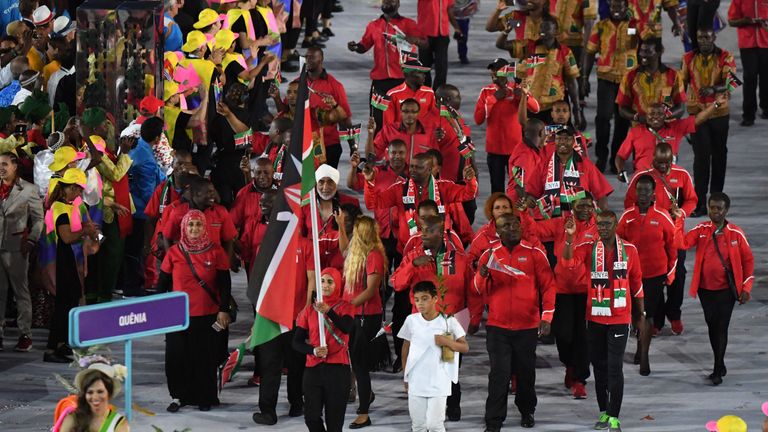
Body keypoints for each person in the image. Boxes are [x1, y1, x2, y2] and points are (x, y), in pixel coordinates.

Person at [560, 210, 645, 432]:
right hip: (595, 317)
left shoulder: (629, 250)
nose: (603, 227)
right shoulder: (589, 248)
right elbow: (568, 261)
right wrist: (570, 237)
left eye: (608, 224)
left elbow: (636, 284)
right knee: (599, 367)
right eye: (600, 224)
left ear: (616, 224)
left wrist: (641, 316)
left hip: (619, 317)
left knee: (615, 367)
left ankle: (615, 416)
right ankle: (604, 412)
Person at [391, 213, 481, 421]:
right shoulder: (413, 256)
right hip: (422, 325)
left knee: (449, 367)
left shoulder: (458, 258)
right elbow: (396, 284)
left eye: (430, 231)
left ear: (441, 233)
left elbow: (471, 290)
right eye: (422, 230)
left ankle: (452, 402)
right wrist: (412, 265)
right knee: (425, 367)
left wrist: (474, 317)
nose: (424, 234)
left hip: (450, 323)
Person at [475, 213, 556, 430]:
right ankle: (493, 421)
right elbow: (477, 290)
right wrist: (482, 275)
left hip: (527, 326)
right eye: (505, 226)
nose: (511, 228)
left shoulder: (535, 252)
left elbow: (548, 286)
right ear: (498, 231)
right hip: (497, 327)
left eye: (514, 224)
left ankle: (527, 410)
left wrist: (546, 316)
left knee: (525, 374)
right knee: (499, 375)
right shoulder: (490, 255)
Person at [671, 193, 754, 385]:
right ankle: (720, 361)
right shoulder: (701, 230)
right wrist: (679, 220)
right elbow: (680, 243)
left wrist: (746, 287)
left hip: (727, 290)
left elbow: (748, 261)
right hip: (705, 289)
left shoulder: (736, 233)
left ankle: (717, 368)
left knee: (721, 327)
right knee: (711, 325)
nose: (715, 211)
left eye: (719, 208)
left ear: (726, 211)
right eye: (712, 207)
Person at [522, 193, 598, 398]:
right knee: (563, 334)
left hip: (587, 291)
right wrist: (525, 212)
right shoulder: (560, 224)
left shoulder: (599, 227)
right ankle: (569, 365)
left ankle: (580, 379)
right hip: (562, 290)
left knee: (583, 336)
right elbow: (533, 230)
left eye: (589, 205)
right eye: (580, 205)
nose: (585, 209)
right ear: (572, 207)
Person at [159, 210, 233, 412]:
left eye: (198, 225)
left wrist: (223, 310)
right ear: (184, 227)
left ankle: (204, 397)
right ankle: (178, 396)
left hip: (207, 314)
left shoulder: (216, 252)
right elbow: (162, 285)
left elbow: (225, 284)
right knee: (176, 357)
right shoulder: (174, 252)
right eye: (190, 225)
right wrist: (161, 313)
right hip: (178, 316)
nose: (194, 229)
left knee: (204, 358)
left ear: (205, 227)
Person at [624, 143, 697, 335]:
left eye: (667, 162)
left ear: (672, 159)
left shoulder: (682, 175)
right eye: (659, 162)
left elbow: (692, 199)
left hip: (674, 232)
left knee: (677, 274)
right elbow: (629, 202)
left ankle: (674, 314)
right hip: (650, 233)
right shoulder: (641, 176)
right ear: (653, 158)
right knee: (652, 279)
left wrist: (681, 212)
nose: (663, 166)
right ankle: (655, 318)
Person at [616, 175, 676, 376]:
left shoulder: (663, 216)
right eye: (639, 190)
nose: (642, 194)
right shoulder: (626, 217)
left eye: (646, 191)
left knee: (647, 314)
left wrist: (670, 273)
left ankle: (644, 355)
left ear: (653, 193)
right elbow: (618, 245)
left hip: (654, 275)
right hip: (631, 276)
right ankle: (640, 343)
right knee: (635, 314)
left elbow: (672, 247)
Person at [363, 152, 477, 254]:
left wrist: (470, 180)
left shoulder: (444, 188)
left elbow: (469, 194)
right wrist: (370, 182)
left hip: (439, 250)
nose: (412, 170)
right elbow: (372, 204)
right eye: (411, 166)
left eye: (418, 167)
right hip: (406, 250)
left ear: (429, 169)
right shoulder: (399, 189)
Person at [44, 168, 100, 363]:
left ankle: (61, 344)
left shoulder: (72, 205)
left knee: (71, 299)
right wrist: (86, 231)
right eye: (76, 189)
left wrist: (93, 235)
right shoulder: (59, 207)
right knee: (63, 303)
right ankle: (52, 348)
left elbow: (87, 228)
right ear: (68, 188)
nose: (79, 193)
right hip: (62, 259)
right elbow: (66, 237)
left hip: (72, 259)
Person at [399, 280, 469, 432]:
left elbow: (464, 347)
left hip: (440, 380)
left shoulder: (448, 321)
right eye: (416, 300)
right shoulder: (411, 321)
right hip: (416, 380)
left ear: (435, 298)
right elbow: (405, 348)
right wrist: (406, 375)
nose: (420, 304)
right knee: (418, 426)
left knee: (434, 425)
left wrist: (446, 341)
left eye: (424, 298)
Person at [347, 0, 426, 133]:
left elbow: (425, 44)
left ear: (398, 3)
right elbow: (364, 45)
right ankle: (378, 152)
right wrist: (355, 47)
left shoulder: (409, 24)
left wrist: (416, 40)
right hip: (380, 82)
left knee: (403, 120)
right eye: (385, 1)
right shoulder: (374, 25)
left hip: (403, 81)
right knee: (377, 121)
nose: (388, 3)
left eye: (391, 1)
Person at [681, 28, 735, 216]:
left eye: (707, 37)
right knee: (701, 158)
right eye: (700, 37)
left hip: (719, 112)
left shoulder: (725, 57)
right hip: (696, 113)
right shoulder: (688, 58)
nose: (703, 41)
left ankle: (716, 199)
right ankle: (700, 202)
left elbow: (733, 82)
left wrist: (714, 89)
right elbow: (681, 85)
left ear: (714, 37)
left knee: (719, 155)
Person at [293, 267, 354, 432]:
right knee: (311, 417)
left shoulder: (346, 307)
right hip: (313, 369)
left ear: (338, 284)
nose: (325, 285)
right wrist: (313, 351)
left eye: (330, 281)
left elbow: (346, 327)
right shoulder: (308, 310)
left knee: (334, 423)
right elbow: (297, 342)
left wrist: (328, 311)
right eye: (322, 281)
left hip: (337, 370)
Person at [496, 14, 584, 128]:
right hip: (531, 105)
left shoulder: (565, 52)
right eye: (541, 28)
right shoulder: (528, 47)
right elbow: (500, 44)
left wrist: (577, 110)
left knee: (555, 141)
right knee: (531, 139)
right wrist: (505, 32)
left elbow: (572, 82)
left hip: (555, 107)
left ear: (555, 31)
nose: (543, 31)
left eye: (547, 28)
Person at [581, 0, 639, 172]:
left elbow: (636, 44)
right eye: (613, 7)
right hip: (605, 79)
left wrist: (633, 24)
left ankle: (616, 157)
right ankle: (601, 155)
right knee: (603, 118)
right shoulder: (601, 26)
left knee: (622, 121)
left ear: (625, 8)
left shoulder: (632, 26)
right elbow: (590, 53)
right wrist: (585, 77)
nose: (616, 11)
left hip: (626, 81)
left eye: (619, 7)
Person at [343, 215, 387, 429]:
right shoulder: (355, 254)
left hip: (365, 316)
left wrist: (346, 305)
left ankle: (364, 413)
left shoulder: (374, 255)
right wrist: (342, 225)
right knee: (355, 362)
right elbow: (342, 249)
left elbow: (371, 291)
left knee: (360, 365)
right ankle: (366, 394)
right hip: (354, 315)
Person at [614, 94, 725, 176]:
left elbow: (699, 119)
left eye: (660, 114)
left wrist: (716, 104)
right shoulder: (635, 132)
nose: (655, 117)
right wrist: (620, 170)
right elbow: (620, 156)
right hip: (643, 179)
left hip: (669, 178)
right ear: (645, 116)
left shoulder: (675, 128)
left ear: (665, 116)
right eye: (652, 114)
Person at [474, 57, 540, 192]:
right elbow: (478, 119)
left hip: (516, 150)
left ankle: (517, 213)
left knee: (518, 187)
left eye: (497, 71)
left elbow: (536, 108)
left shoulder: (517, 88)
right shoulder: (486, 91)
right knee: (497, 189)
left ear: (507, 73)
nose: (493, 74)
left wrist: (523, 96)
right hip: (494, 150)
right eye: (492, 71)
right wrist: (493, 99)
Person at [0, 151, 43, 352]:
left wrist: (32, 240)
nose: (1, 168)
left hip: (17, 248)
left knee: (20, 293)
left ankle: (25, 334)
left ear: (15, 166)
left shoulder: (28, 190)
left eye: (5, 164)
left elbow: (39, 220)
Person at [121, 117, 166, 296]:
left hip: (131, 205)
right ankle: (133, 287)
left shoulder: (138, 147)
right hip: (140, 211)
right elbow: (147, 192)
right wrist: (155, 212)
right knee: (137, 249)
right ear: (157, 138)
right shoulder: (146, 158)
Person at [526, 124, 613, 217]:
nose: (562, 142)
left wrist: (601, 216)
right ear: (555, 141)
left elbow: (601, 194)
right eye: (559, 138)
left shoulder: (586, 165)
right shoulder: (544, 164)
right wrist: (530, 199)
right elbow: (531, 192)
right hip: (551, 220)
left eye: (567, 138)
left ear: (573, 141)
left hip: (580, 220)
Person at [301, 164, 360, 270]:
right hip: (313, 263)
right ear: (316, 183)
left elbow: (358, 234)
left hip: (341, 263)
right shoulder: (305, 206)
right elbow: (300, 237)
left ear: (336, 183)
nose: (325, 187)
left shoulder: (350, 203)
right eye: (321, 182)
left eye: (330, 182)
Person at [616, 38, 687, 123]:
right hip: (640, 130)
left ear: (659, 52)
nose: (643, 55)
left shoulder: (673, 75)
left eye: (648, 52)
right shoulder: (629, 76)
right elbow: (622, 108)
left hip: (666, 131)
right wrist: (637, 117)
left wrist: (664, 116)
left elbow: (681, 108)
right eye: (641, 51)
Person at [305, 47, 352, 168]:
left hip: (329, 144)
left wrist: (353, 147)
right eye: (306, 57)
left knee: (327, 185)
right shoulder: (298, 84)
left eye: (312, 57)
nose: (308, 60)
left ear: (321, 59)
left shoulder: (335, 86)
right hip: (304, 144)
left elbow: (345, 119)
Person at [727, 0, 768, 126]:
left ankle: (766, 108)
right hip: (747, 45)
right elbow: (731, 21)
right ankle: (749, 115)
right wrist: (745, 21)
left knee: (766, 77)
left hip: (766, 43)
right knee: (750, 78)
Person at [58, 368, 129, 432]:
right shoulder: (73, 419)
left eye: (100, 391)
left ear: (109, 393)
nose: (95, 397)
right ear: (84, 395)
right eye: (90, 392)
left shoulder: (118, 423)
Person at [416, 0, 462, 89]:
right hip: (425, 33)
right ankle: (425, 92)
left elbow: (449, 10)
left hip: (442, 34)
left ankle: (438, 94)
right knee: (424, 66)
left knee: (442, 67)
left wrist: (456, 28)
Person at [383, 59, 438, 128]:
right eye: (420, 72)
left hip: (423, 136)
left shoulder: (429, 93)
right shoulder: (392, 94)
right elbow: (388, 125)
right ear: (410, 74)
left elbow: (434, 118)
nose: (424, 76)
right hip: (400, 136)